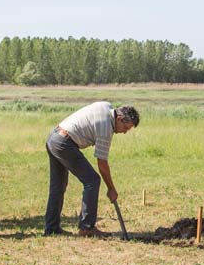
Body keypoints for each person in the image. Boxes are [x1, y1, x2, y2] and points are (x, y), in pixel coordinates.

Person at [45, 102, 140, 237]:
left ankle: (52, 228)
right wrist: (111, 189)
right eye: (125, 128)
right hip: (64, 144)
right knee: (92, 180)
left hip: (54, 138)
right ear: (119, 118)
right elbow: (102, 163)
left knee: (58, 186)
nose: (124, 132)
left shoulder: (107, 106)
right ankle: (87, 228)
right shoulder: (106, 128)